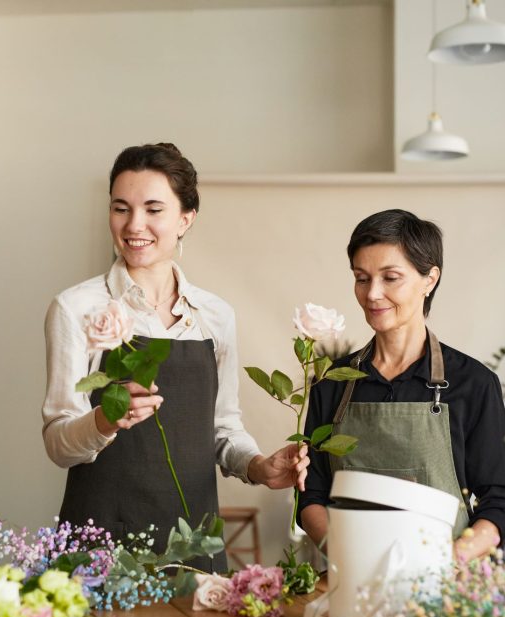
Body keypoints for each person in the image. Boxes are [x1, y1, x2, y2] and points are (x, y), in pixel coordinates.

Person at [42, 142, 308, 572]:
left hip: (194, 542)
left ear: (186, 219)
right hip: (100, 544)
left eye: (153, 209)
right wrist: (106, 420)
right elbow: (58, 442)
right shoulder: (76, 308)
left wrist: (258, 466)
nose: (134, 225)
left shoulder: (215, 316)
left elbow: (223, 429)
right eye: (120, 208)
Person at [297, 209, 505, 563]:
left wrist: (444, 564)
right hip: (352, 583)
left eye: (390, 278)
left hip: (443, 591)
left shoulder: (473, 383)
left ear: (429, 279)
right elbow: (311, 495)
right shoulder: (332, 383)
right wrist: (345, 555)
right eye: (361, 278)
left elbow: (503, 503)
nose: (372, 294)